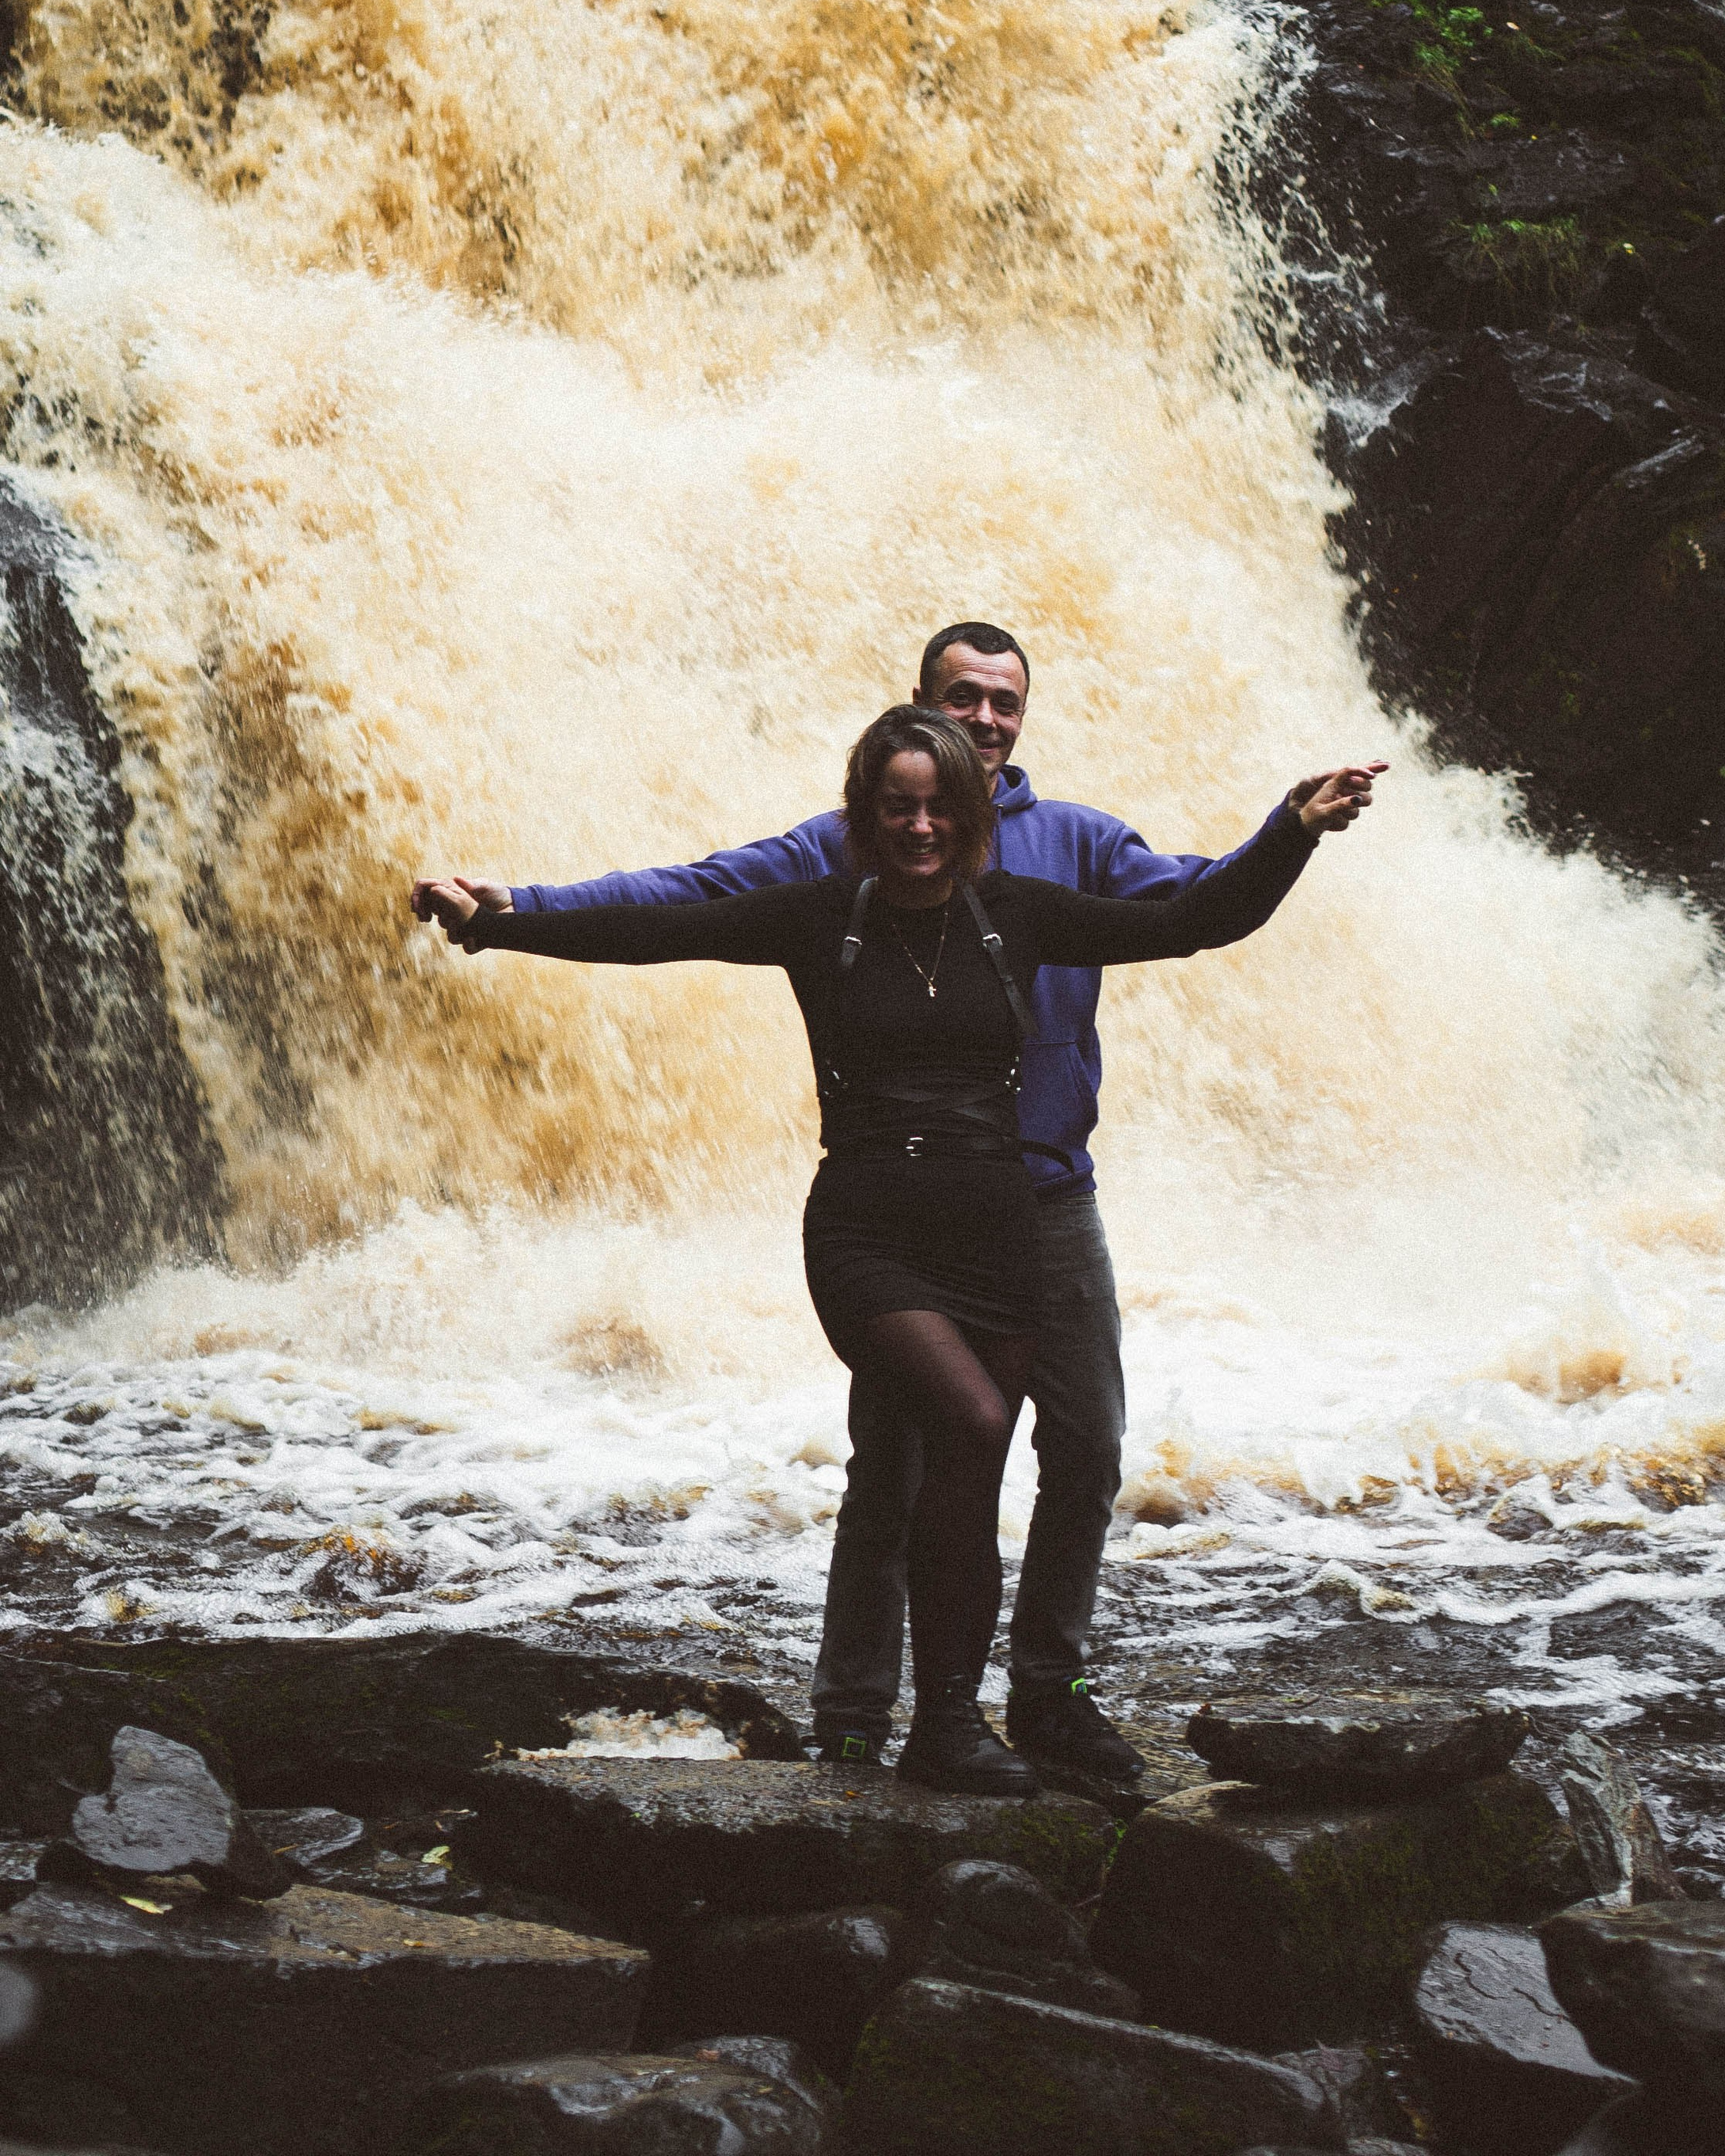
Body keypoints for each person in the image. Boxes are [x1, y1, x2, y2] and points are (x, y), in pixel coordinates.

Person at [412, 621, 1385, 1785]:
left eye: (1000, 707)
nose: (931, 806)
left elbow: (1193, 912)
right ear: (891, 763)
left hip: (1023, 1217)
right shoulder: (827, 883)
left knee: (1046, 1455)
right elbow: (673, 912)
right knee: (924, 1452)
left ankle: (1002, 1710)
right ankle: (868, 1712)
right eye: (951, 712)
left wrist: (1290, 829)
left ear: (1002, 754)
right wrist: (510, 911)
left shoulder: (1042, 878)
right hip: (881, 1224)